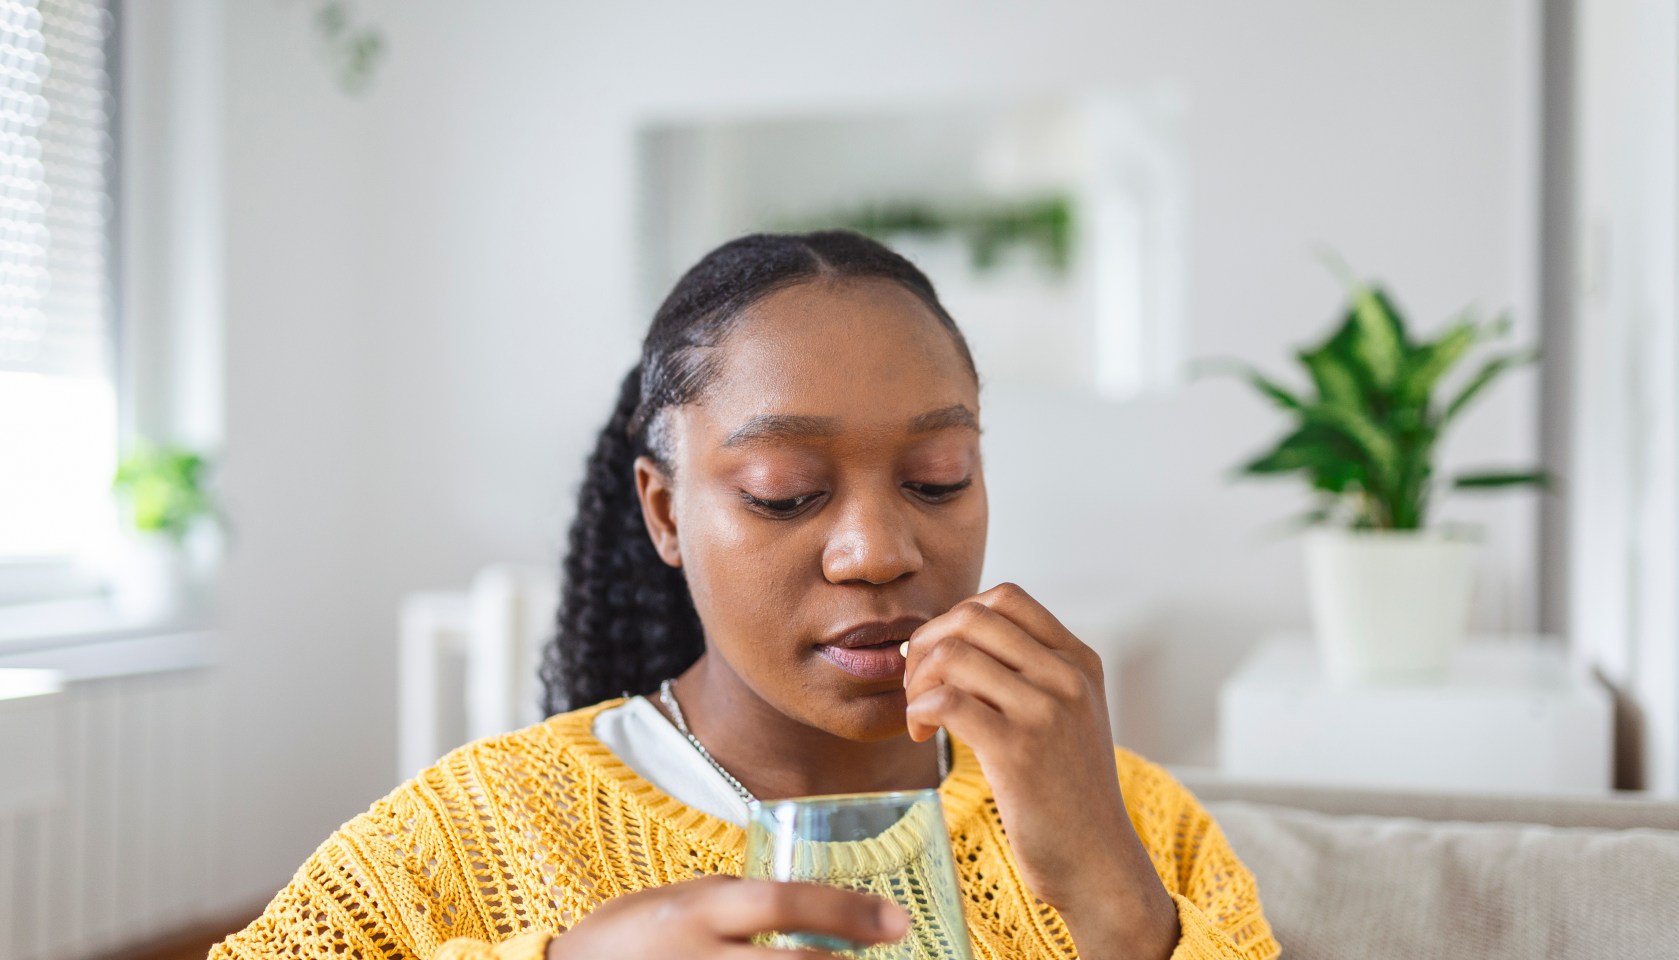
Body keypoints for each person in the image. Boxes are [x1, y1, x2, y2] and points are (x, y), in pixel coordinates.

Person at [209, 232, 1280, 960]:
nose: (876, 551)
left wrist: (1116, 906)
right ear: (665, 514)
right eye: (784, 494)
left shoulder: (1138, 820)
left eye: (936, 478)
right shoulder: (477, 831)